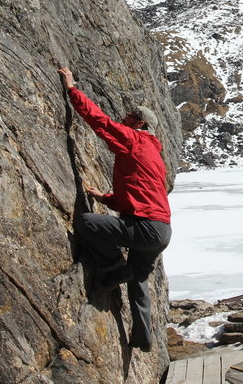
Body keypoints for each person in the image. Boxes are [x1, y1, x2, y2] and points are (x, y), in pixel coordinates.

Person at [58, 67, 172, 351]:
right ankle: (142, 336)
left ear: (140, 123)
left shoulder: (135, 141)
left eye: (130, 116)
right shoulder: (151, 153)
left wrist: (72, 90)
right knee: (139, 280)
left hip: (144, 227)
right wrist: (106, 198)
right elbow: (135, 195)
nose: (125, 118)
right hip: (161, 231)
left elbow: (102, 123)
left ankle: (115, 269)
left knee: (87, 223)